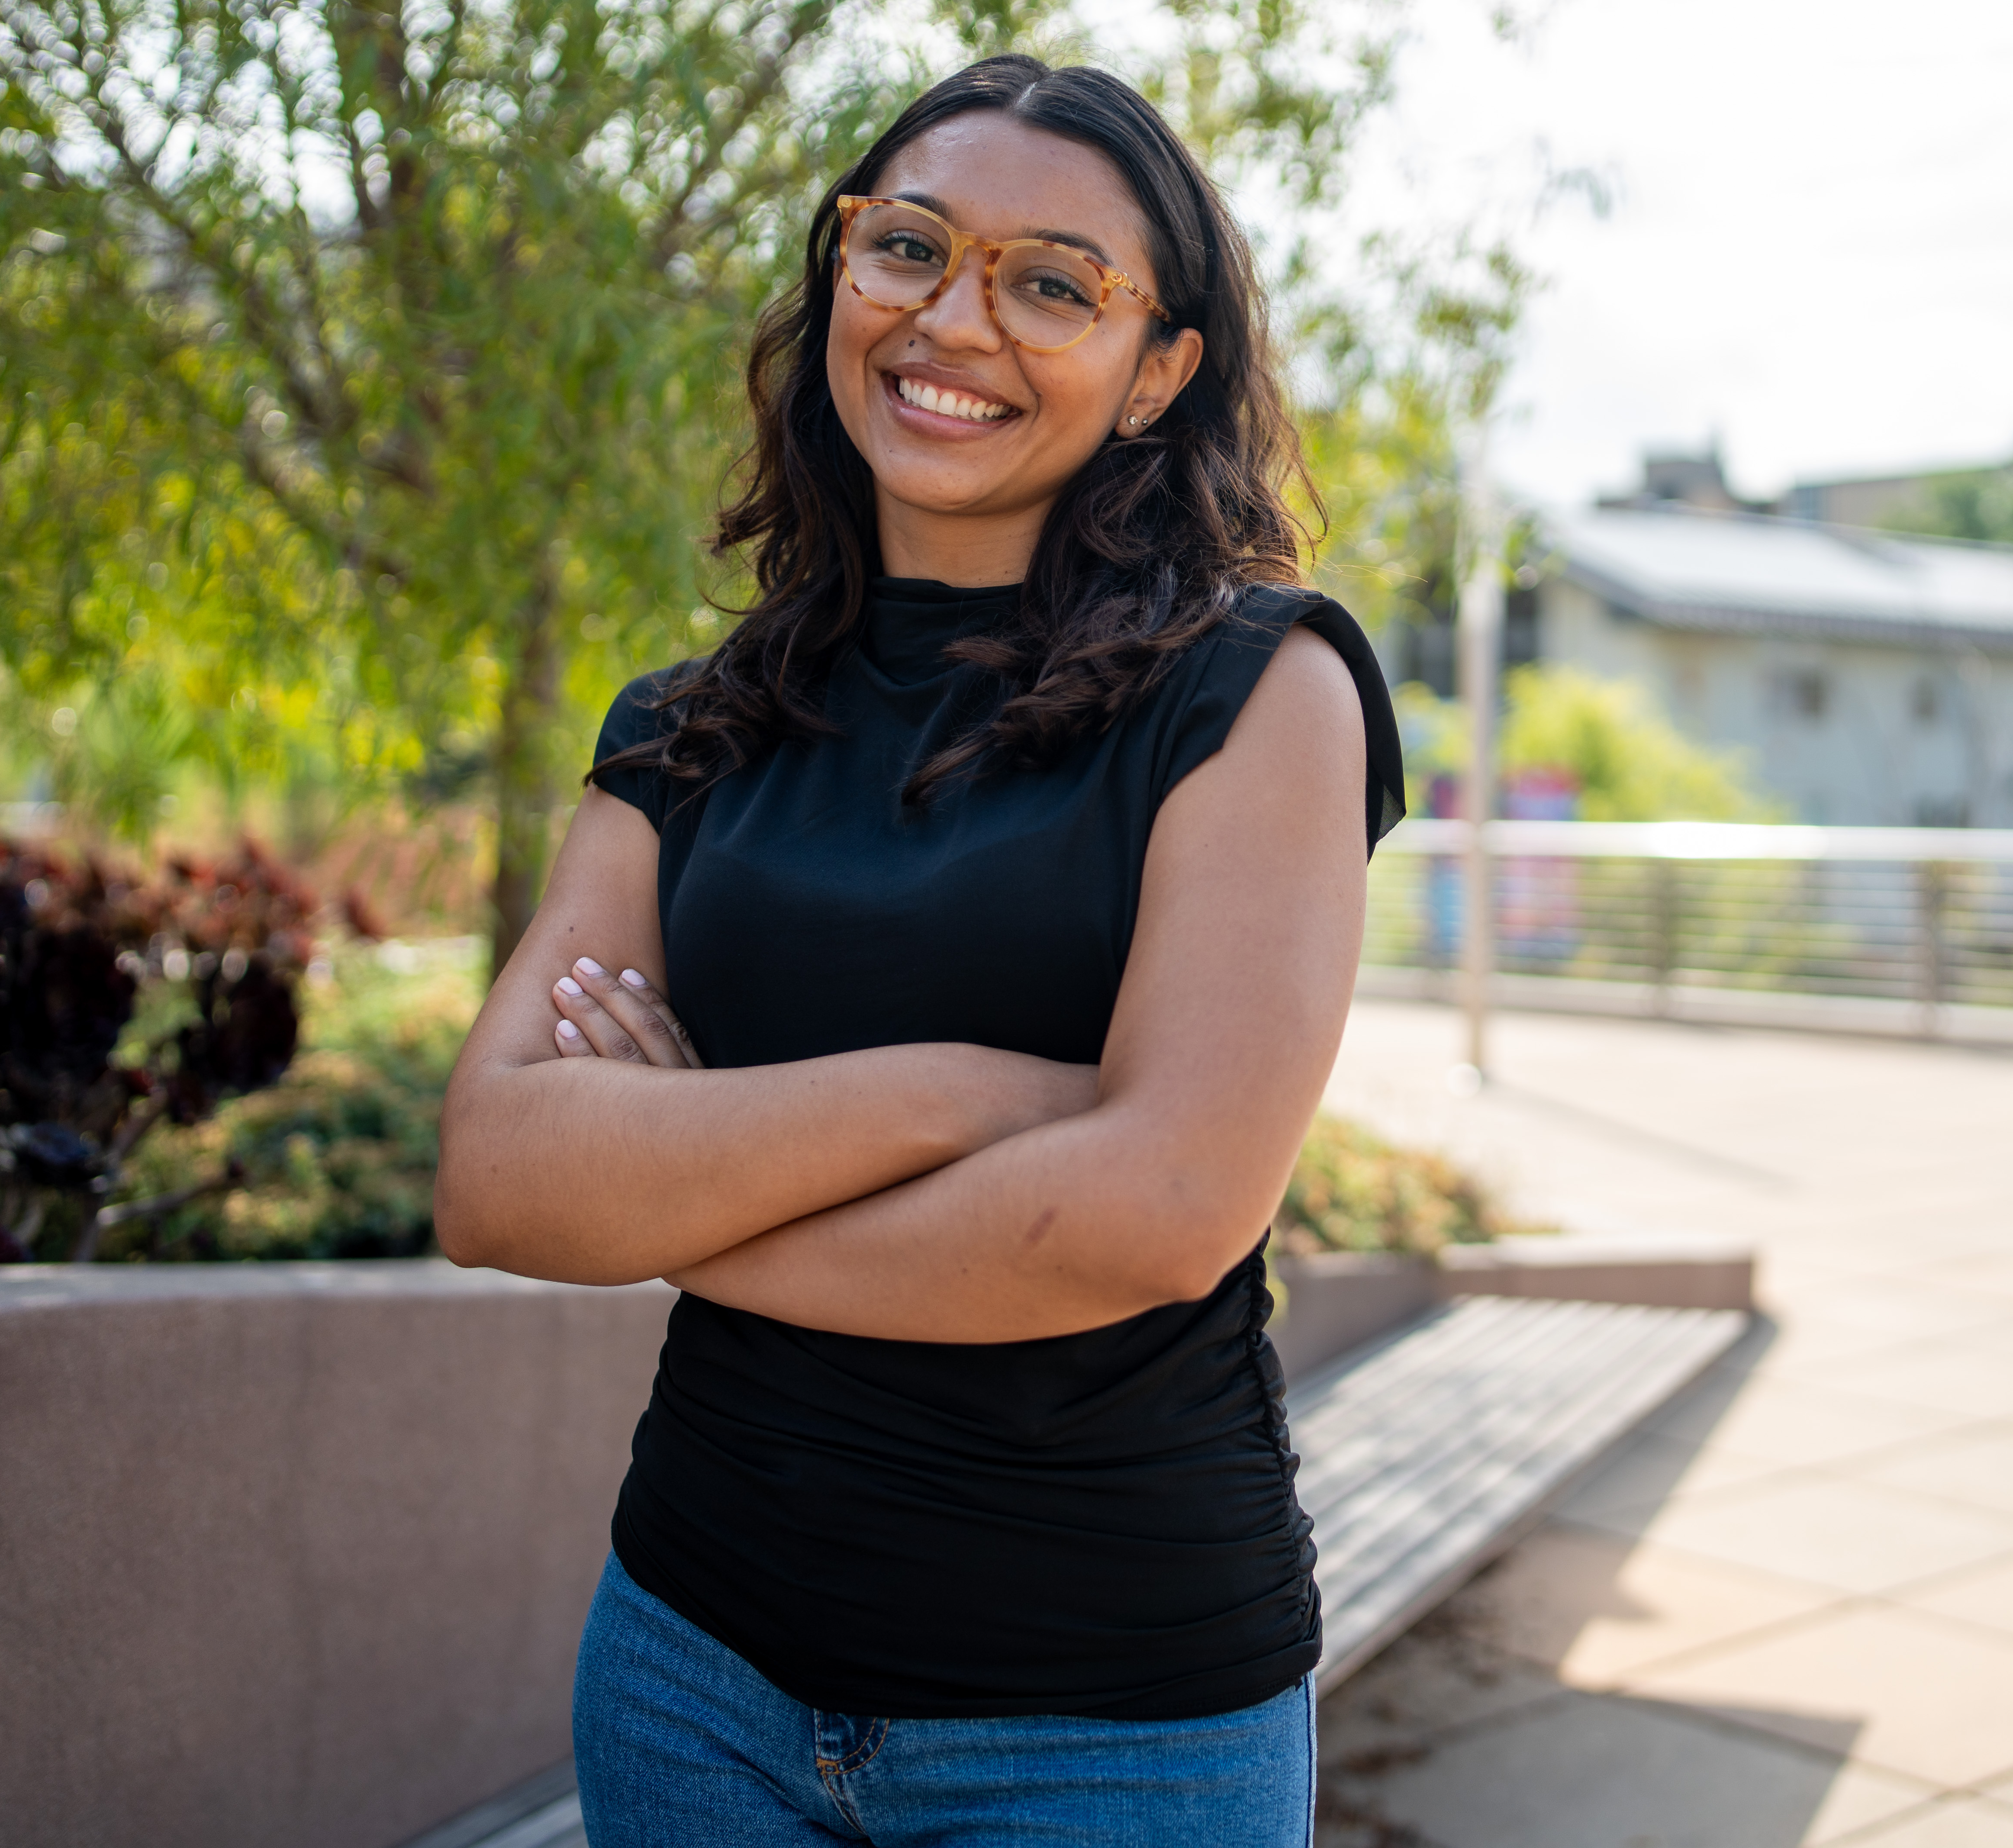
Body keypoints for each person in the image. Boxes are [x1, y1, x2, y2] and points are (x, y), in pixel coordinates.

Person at [435, 52, 1404, 1848]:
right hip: (689, 1664)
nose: (954, 320)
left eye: (1054, 284)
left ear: (1159, 370)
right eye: (907, 249)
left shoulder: (1258, 690)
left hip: (1108, 1725)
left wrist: (684, 1189)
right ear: (840, 281)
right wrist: (964, 1096)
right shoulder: (693, 723)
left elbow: (1162, 1211)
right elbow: (499, 1179)